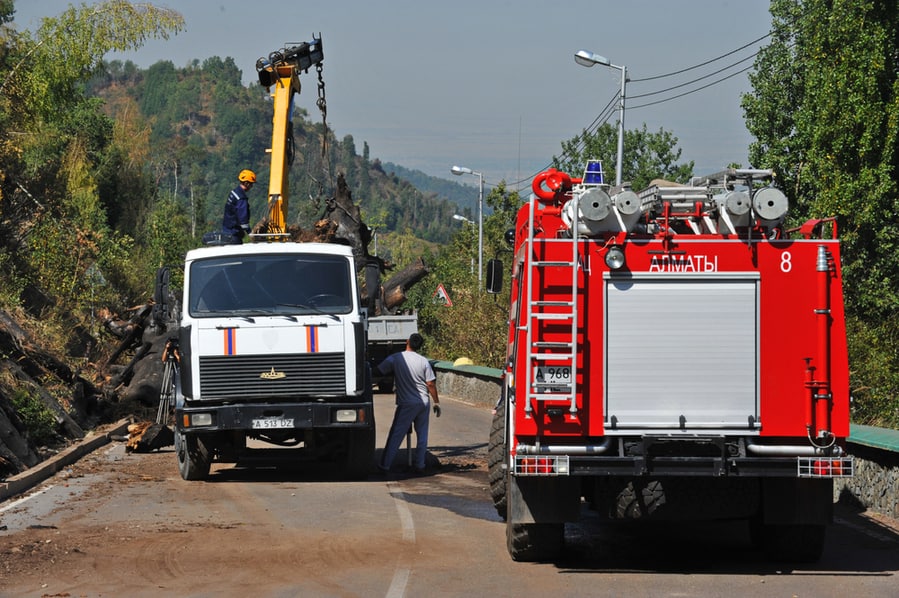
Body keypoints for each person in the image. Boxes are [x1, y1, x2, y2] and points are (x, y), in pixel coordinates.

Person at [376, 332, 441, 475]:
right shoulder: (424, 361)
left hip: (407, 403)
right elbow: (430, 383)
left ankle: (385, 466)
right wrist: (436, 402)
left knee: (396, 434)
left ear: (407, 341)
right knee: (422, 435)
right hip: (423, 402)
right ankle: (420, 465)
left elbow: (380, 370)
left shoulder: (396, 358)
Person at [222, 169, 255, 243]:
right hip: (234, 234)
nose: (252, 186)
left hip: (226, 230)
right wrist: (250, 233)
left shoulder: (234, 193)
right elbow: (243, 219)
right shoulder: (241, 198)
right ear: (246, 183)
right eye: (251, 184)